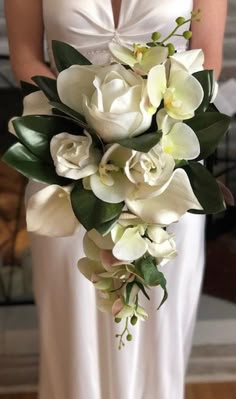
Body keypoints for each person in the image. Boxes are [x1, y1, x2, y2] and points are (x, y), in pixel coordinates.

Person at [4, 1, 227, 398]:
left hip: (165, 167)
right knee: (73, 326)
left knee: (158, 324)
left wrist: (143, 129)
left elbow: (207, 58)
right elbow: (25, 57)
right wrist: (95, 125)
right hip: (69, 162)